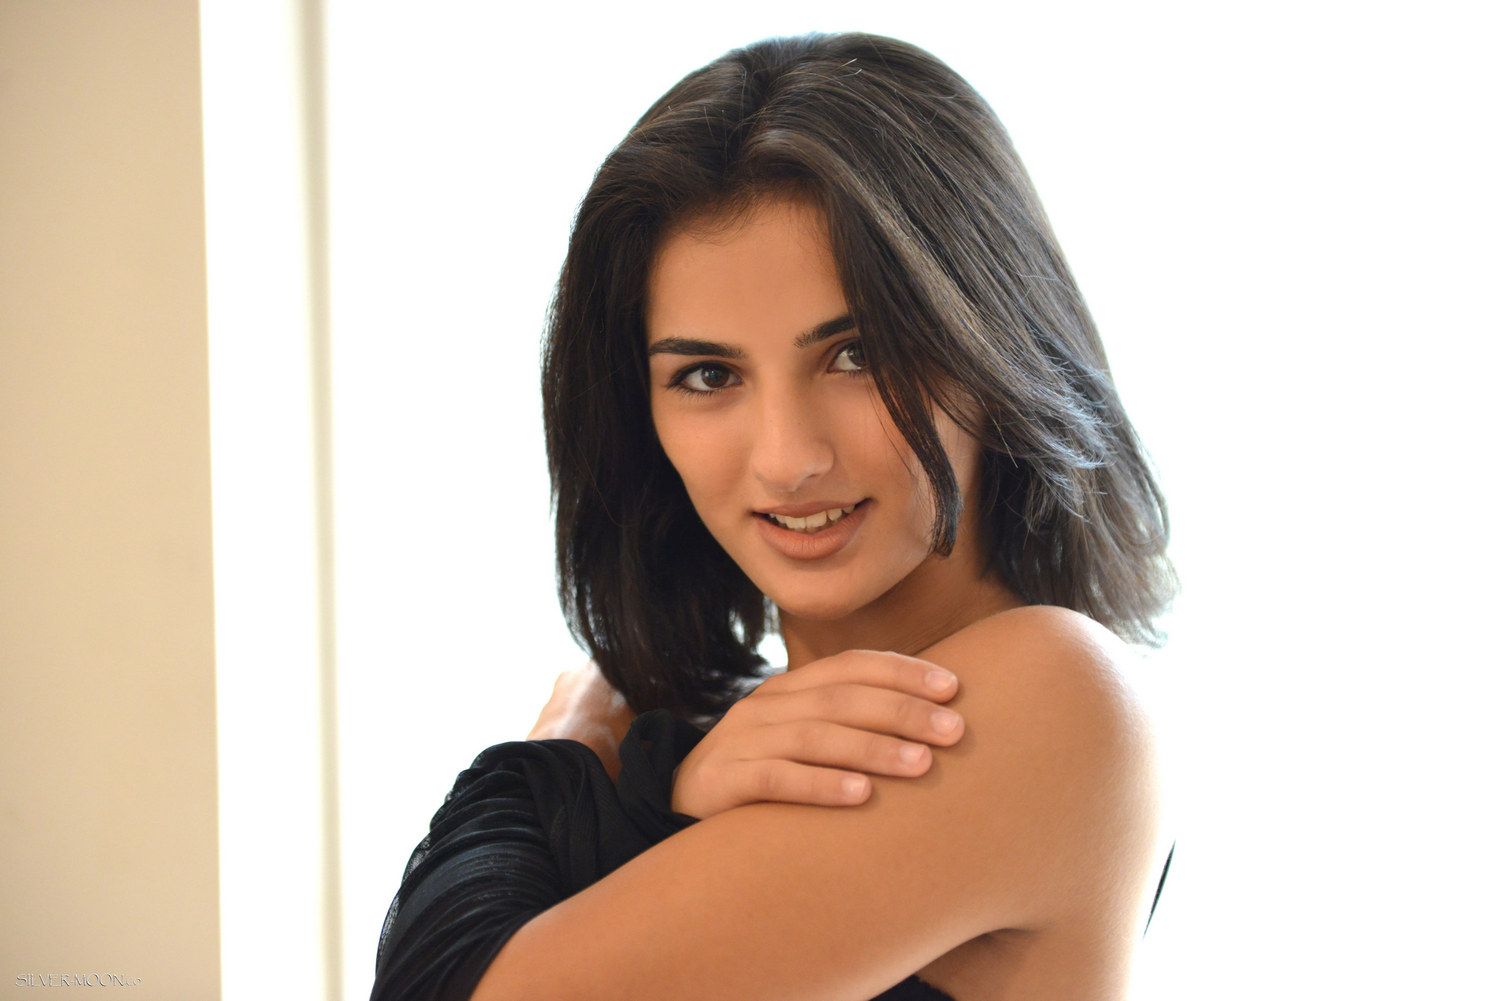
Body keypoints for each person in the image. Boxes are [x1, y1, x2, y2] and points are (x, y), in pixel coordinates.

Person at [371, 31, 1176, 1001]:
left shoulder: (1053, 701)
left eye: (857, 354)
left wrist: (567, 746)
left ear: (989, 342)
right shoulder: (717, 742)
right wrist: (670, 788)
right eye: (708, 375)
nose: (788, 458)